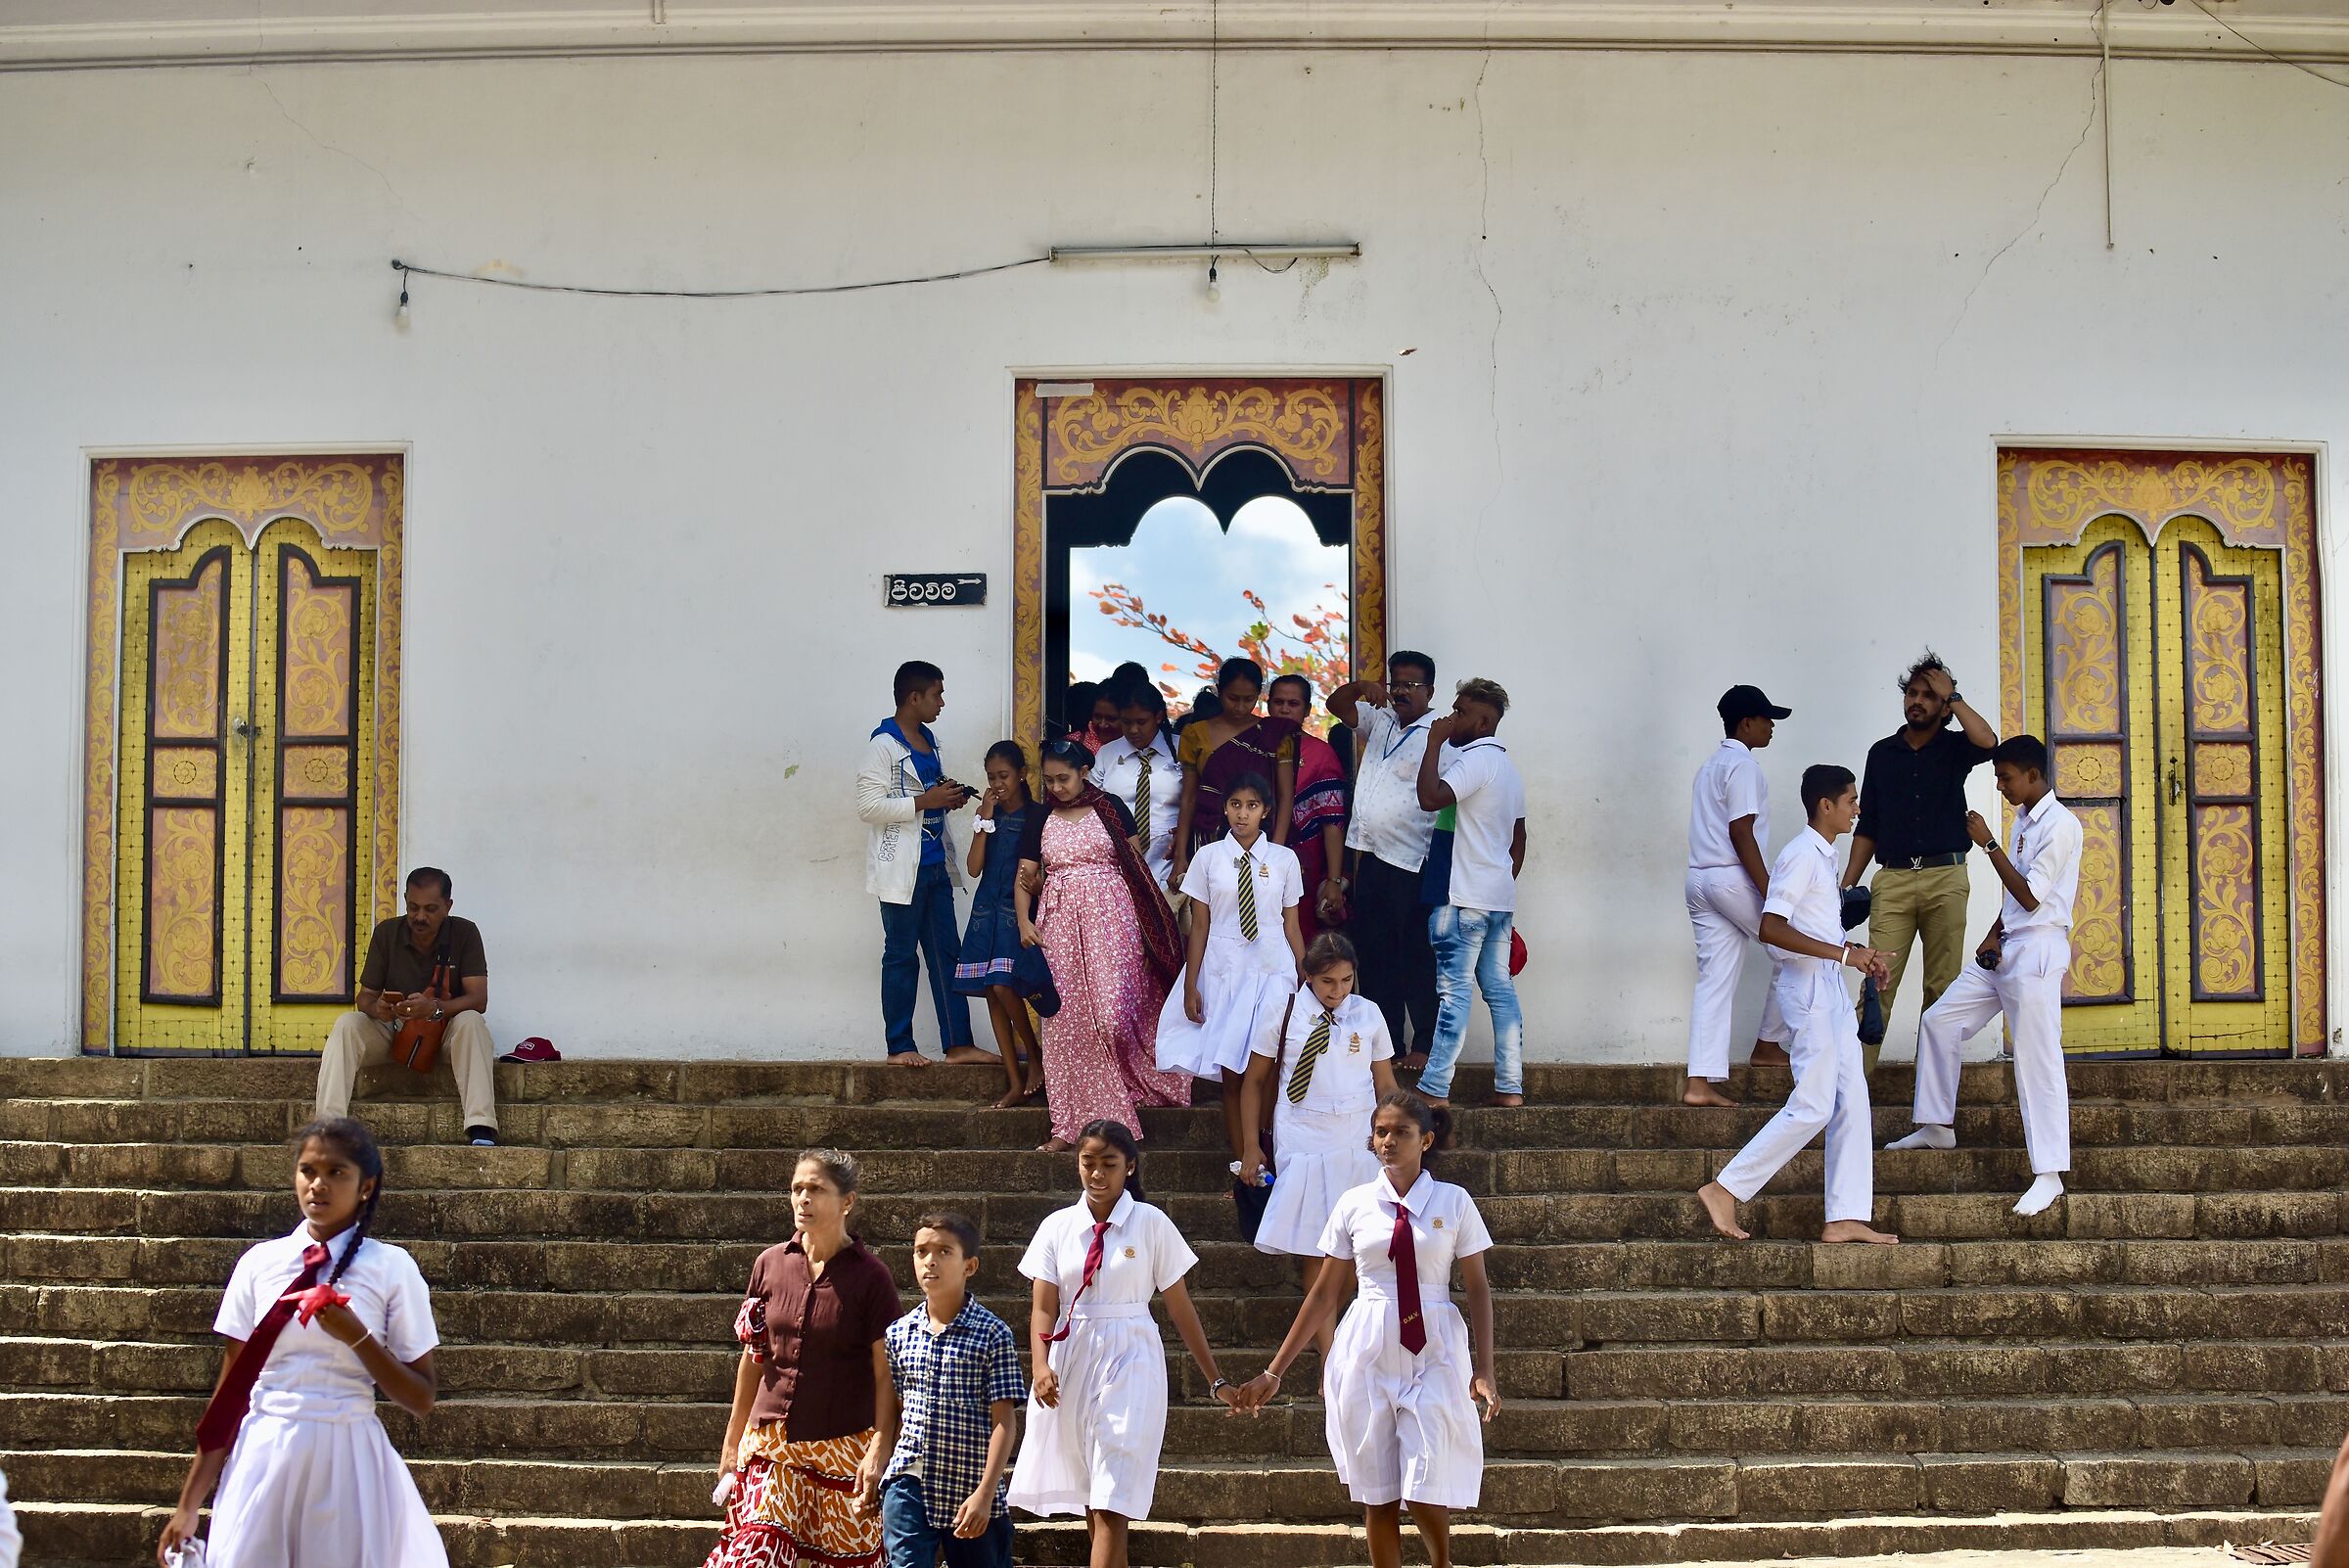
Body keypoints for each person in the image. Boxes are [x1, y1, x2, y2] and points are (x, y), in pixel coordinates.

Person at [157, 1118, 443, 1568]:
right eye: (308, 1170)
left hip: (349, 1460)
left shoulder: (392, 1268)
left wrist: (357, 1336)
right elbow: (230, 1393)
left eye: (336, 1172)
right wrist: (189, 1504)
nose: (318, 1185)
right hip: (264, 1454)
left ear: (366, 1187)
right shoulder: (259, 1263)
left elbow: (421, 1398)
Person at [1233, 1092, 1497, 1568]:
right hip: (1367, 1344)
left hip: (1434, 1344)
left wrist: (1485, 1369)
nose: (1389, 1141)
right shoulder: (1354, 1204)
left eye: (1401, 1132)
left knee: (1424, 1480)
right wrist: (1275, 1370)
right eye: (1381, 1132)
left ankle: (1441, 1562)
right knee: (1378, 1493)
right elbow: (1323, 1294)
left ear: (1426, 1140)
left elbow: (1478, 1287)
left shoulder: (1454, 1201)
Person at [1007, 1122, 1245, 1568]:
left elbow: (1181, 1308)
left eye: (1109, 1164)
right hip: (1072, 1356)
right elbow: (1043, 1307)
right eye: (1088, 1163)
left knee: (1113, 1492)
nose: (1097, 1174)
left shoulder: (1151, 1223)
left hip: (1133, 1354)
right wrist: (1040, 1365)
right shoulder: (1057, 1227)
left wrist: (1217, 1380)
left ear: (1129, 1167)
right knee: (1094, 1494)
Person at [1697, 766, 1899, 1245]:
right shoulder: (1800, 855)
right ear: (1826, 806)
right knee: (1813, 1105)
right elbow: (1771, 927)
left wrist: (1858, 955)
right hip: (1807, 993)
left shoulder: (1824, 855)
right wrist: (1845, 956)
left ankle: (1845, 1216)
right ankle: (1725, 1188)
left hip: (1828, 988)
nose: (1857, 809)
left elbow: (1818, 929)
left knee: (1852, 1099)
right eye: (1851, 801)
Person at [1887, 735, 2081, 1217]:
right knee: (1939, 1021)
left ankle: (2050, 1174)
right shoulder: (2025, 820)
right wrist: (1993, 933)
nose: (2000, 786)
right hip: (2008, 945)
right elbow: (2015, 897)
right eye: (1997, 777)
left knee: (2037, 1060)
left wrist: (1988, 844)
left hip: (2038, 951)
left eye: (2005, 777)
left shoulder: (2061, 825)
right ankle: (1937, 1126)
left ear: (2033, 775)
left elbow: (2031, 897)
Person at [707, 1149, 899, 1568]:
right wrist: (732, 1438)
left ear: (847, 1201)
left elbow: (886, 1374)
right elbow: (754, 1356)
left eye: (816, 1189)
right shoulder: (769, 1264)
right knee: (755, 1551)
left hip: (843, 1447)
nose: (803, 1199)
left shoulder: (872, 1278)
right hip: (772, 1446)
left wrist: (881, 1445)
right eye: (797, 1189)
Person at [1014, 740, 1192, 1154]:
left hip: (1114, 920)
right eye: (1049, 780)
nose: (1056, 787)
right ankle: (1068, 1125)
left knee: (1113, 1015)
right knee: (1065, 1022)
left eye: (1064, 778)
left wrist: (1147, 925)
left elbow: (1135, 867)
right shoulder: (1039, 817)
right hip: (1059, 925)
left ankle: (1124, 1085)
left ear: (1084, 773)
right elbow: (1025, 876)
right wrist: (1024, 921)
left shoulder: (1110, 807)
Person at [1238, 933, 1397, 1364]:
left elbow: (1385, 1083)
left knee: (1359, 1245)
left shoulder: (1368, 1014)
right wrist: (1251, 1146)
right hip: (1302, 1133)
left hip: (1358, 1134)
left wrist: (1395, 1138)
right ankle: (1330, 1357)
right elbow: (1254, 1082)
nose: (1337, 990)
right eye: (1327, 981)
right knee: (1318, 1246)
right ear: (1308, 975)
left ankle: (1321, 1328)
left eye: (1346, 980)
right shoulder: (1283, 1010)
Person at [1842, 653, 2000, 1070]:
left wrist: (1955, 697)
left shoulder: (1955, 748)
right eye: (1911, 693)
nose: (1916, 701)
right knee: (1876, 984)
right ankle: (1851, 1094)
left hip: (1946, 877)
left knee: (1942, 992)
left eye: (1929, 695)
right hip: (1892, 880)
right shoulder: (1882, 753)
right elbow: (1868, 825)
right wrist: (1846, 886)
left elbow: (1989, 742)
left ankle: (1931, 1100)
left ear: (1945, 706)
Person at [1156, 772, 1306, 1176]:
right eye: (1236, 805)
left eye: (1252, 806)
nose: (1243, 814)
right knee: (1232, 1069)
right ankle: (1243, 1166)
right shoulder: (1208, 858)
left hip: (1273, 967)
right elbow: (1200, 924)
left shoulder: (1284, 859)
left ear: (1266, 811)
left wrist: (1304, 974)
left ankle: (1269, 1153)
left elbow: (1291, 925)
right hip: (1224, 969)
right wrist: (1191, 984)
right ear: (1224, 808)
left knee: (1268, 1064)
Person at [860, 661, 992, 1070]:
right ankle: (899, 1046)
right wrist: (925, 801)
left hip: (935, 865)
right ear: (914, 697)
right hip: (902, 869)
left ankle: (958, 1044)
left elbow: (923, 797)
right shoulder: (883, 745)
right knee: (901, 956)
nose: (942, 703)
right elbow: (868, 807)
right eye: (937, 694)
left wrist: (945, 797)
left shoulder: (930, 741)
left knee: (946, 955)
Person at [876, 1211, 1025, 1568]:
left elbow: (1003, 1421)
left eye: (944, 1252)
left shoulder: (993, 1334)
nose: (930, 1261)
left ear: (969, 1266)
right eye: (921, 1251)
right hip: (909, 1481)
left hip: (970, 1485)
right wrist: (879, 1465)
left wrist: (985, 1494)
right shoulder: (898, 1333)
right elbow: (897, 1410)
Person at [314, 867, 499, 1146]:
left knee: (471, 1021)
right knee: (346, 1024)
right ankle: (328, 1127)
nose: (420, 917)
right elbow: (364, 998)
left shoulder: (465, 932)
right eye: (413, 907)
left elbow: (478, 999)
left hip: (445, 1033)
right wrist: (378, 1009)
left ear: (448, 906)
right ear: (404, 900)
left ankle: (481, 1125)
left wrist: (434, 1008)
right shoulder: (387, 933)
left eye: (430, 909)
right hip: (394, 1030)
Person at [1413, 680, 1528, 1110]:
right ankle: (1510, 1087)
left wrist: (1432, 743)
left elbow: (1429, 798)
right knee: (1500, 991)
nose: (1451, 718)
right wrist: (1498, 882)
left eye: (1460, 712)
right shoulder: (1509, 769)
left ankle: (1434, 1088)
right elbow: (1519, 840)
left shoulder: (1476, 760)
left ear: (1482, 722)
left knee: (1454, 993)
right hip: (1496, 899)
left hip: (1461, 899)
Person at [1681, 685, 1797, 1108]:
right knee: (1794, 951)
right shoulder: (1744, 766)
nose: (1771, 727)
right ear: (1746, 723)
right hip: (1731, 879)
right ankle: (1768, 1045)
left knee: (1714, 981)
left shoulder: (1709, 765)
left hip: (1699, 880)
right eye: (1767, 720)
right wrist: (1770, 892)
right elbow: (1741, 830)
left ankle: (1698, 1084)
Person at [1328, 653, 1443, 1068]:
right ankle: (1389, 1043)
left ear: (1430, 691)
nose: (1401, 692)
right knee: (1375, 955)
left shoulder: (1440, 735)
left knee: (1415, 956)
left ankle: (1424, 1044)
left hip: (1413, 861)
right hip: (1371, 856)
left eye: (1412, 685)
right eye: (1396, 683)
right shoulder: (1380, 719)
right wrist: (1362, 686)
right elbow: (1335, 704)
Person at [956, 742, 1042, 1109]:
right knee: (992, 993)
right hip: (985, 915)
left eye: (1004, 775)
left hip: (1015, 914)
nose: (997, 783)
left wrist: (1037, 889)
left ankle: (1035, 1057)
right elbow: (974, 868)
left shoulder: (1038, 816)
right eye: (991, 777)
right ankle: (1014, 1080)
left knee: (1002, 985)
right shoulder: (987, 816)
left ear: (1022, 774)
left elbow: (1042, 871)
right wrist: (984, 820)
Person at [1173, 658, 1299, 883]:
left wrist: (1275, 851)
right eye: (1233, 698)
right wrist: (1180, 855)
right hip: (1208, 837)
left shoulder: (1273, 734)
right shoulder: (1195, 734)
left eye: (1249, 699)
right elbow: (1189, 798)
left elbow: (1285, 797)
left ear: (1259, 694)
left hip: (1260, 840)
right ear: (1219, 691)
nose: (1240, 707)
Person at [1267, 673, 1350, 941]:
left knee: (1297, 939)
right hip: (1251, 860)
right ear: (1267, 704)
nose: (1284, 709)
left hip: (1303, 865)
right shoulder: (1251, 747)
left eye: (1293, 703)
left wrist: (1334, 881)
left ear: (1307, 710)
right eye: (1278, 702)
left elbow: (1332, 823)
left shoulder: (1321, 754)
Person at [1090, 684, 1184, 893]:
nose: (1133, 730)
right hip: (1117, 866)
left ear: (1158, 717)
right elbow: (1090, 809)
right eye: (1126, 722)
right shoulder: (1107, 754)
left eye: (1141, 722)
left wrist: (1186, 834)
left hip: (1168, 863)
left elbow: (1196, 799)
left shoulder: (1182, 749)